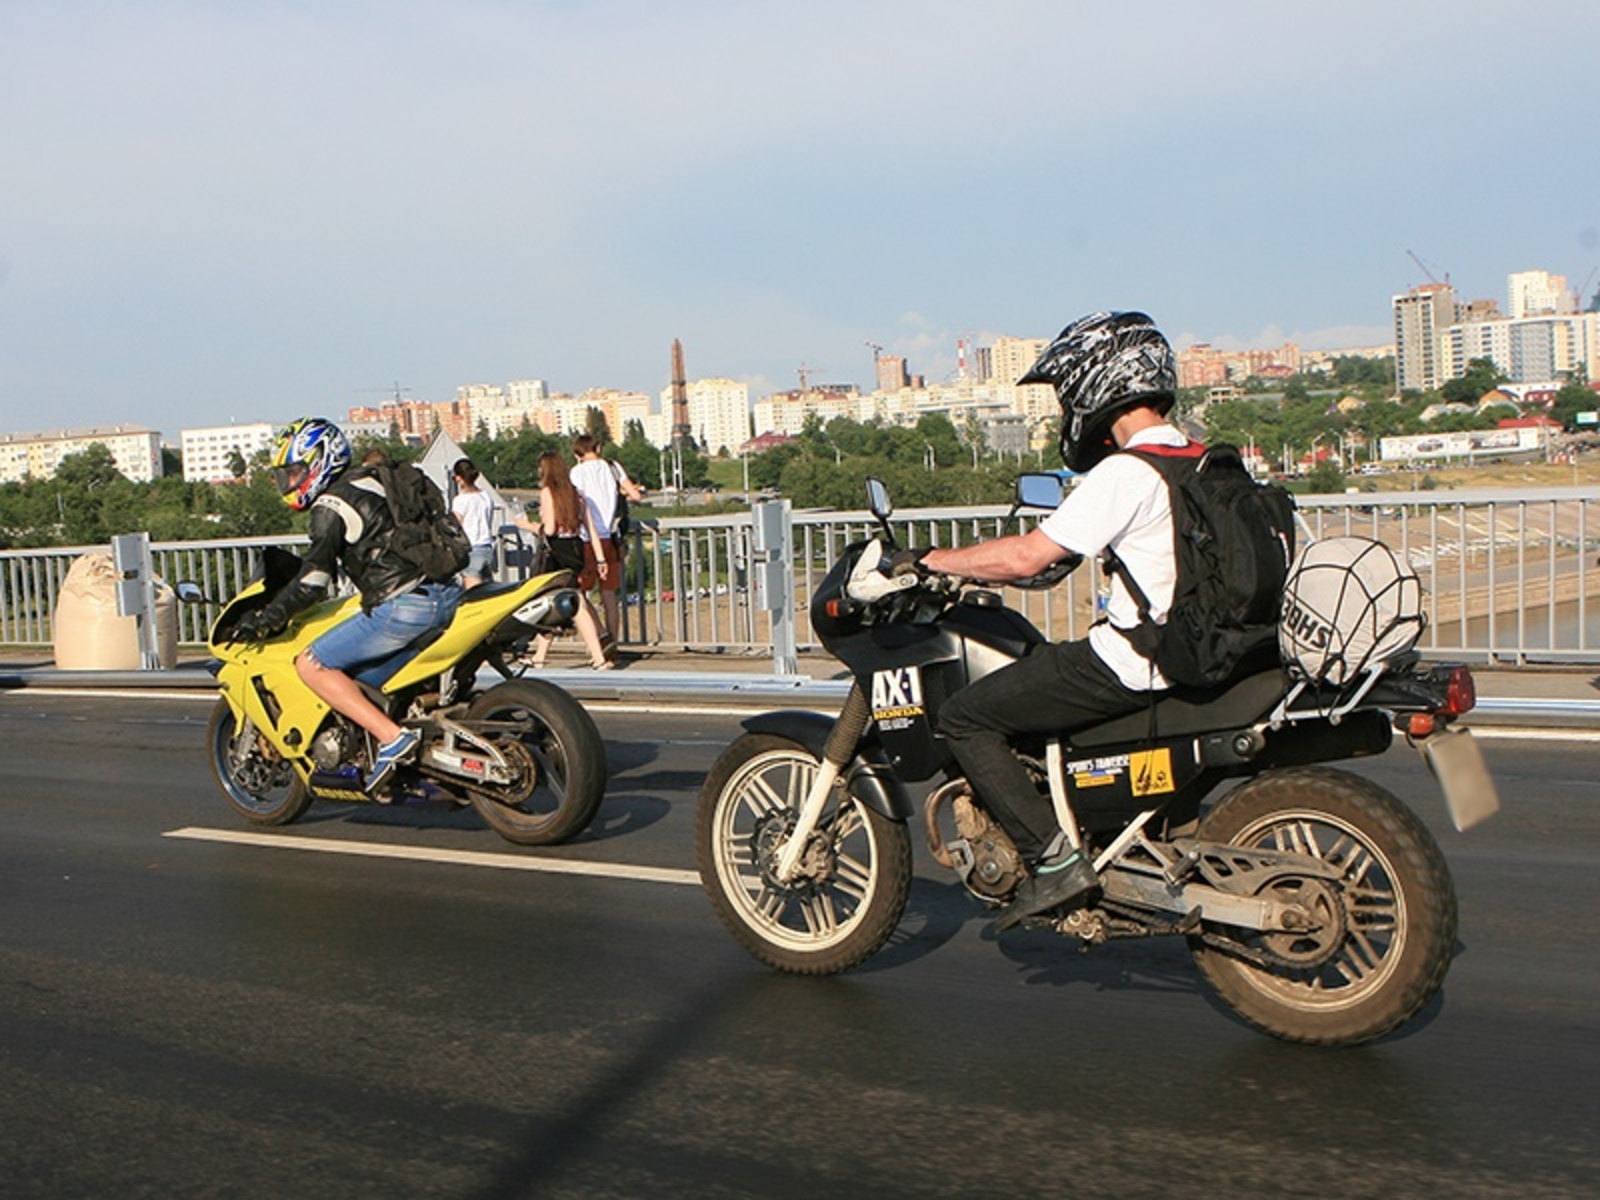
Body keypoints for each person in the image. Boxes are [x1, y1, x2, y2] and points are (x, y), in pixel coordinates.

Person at [912, 311, 1189, 931]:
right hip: (1200, 651)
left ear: (1097, 384)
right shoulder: (1201, 458)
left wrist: (933, 560)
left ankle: (1054, 861)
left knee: (965, 716)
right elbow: (1059, 561)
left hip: (1136, 661)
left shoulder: (1127, 470)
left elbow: (1026, 556)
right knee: (1042, 673)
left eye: (1069, 391)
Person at [227, 418, 462, 793]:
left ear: (321, 461)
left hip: (403, 606)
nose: (289, 483)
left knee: (311, 664)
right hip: (447, 592)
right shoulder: (374, 482)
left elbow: (312, 583)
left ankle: (392, 737)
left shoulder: (331, 505)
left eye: (294, 472)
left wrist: (266, 618)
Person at [513, 451, 613, 670]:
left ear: (546, 469)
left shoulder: (548, 492)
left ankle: (545, 656)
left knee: (549, 601)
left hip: (556, 550)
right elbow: (591, 530)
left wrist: (526, 526)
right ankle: (597, 657)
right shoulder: (576, 494)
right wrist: (600, 559)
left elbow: (548, 529)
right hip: (576, 547)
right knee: (577, 601)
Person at [568, 434, 643, 644]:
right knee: (609, 595)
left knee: (581, 593)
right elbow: (636, 496)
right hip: (612, 537)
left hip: (586, 539)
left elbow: (576, 503)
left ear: (577, 454)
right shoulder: (613, 466)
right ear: (598, 448)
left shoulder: (576, 472)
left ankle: (599, 636)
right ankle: (613, 642)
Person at [450, 457, 496, 588]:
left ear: (459, 478)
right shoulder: (485, 496)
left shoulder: (460, 500)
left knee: (473, 595)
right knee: (488, 592)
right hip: (487, 547)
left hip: (472, 549)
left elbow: (456, 526)